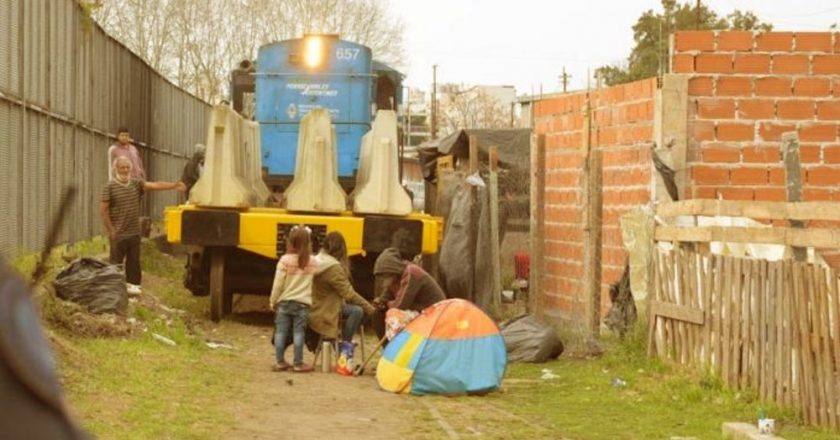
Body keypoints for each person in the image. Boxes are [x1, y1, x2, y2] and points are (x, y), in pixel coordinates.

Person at [100, 157, 185, 295]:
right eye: (122, 167)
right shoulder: (109, 187)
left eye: (128, 167)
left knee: (134, 263)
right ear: (115, 169)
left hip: (134, 233)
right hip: (118, 234)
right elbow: (103, 211)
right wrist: (111, 230)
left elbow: (155, 185)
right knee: (115, 264)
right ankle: (114, 291)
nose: (126, 170)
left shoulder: (136, 184)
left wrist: (174, 185)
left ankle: (134, 289)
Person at [310, 232, 376, 375]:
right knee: (358, 311)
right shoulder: (333, 268)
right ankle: (344, 350)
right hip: (327, 309)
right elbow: (349, 294)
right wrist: (370, 309)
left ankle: (341, 344)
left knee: (356, 311)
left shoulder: (316, 260)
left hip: (315, 307)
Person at [269, 226, 318, 373]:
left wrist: (273, 300)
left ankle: (279, 362)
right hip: (302, 305)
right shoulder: (312, 262)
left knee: (280, 333)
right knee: (299, 334)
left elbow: (277, 284)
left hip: (284, 303)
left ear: (291, 242)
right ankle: (298, 363)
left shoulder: (284, 260)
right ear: (309, 243)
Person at [371, 246, 446, 338]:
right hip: (417, 310)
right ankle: (389, 349)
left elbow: (401, 305)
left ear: (393, 269)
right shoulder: (394, 278)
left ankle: (397, 349)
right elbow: (386, 297)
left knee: (394, 315)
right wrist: (380, 302)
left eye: (385, 275)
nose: (384, 279)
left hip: (433, 312)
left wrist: (386, 304)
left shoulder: (411, 272)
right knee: (377, 315)